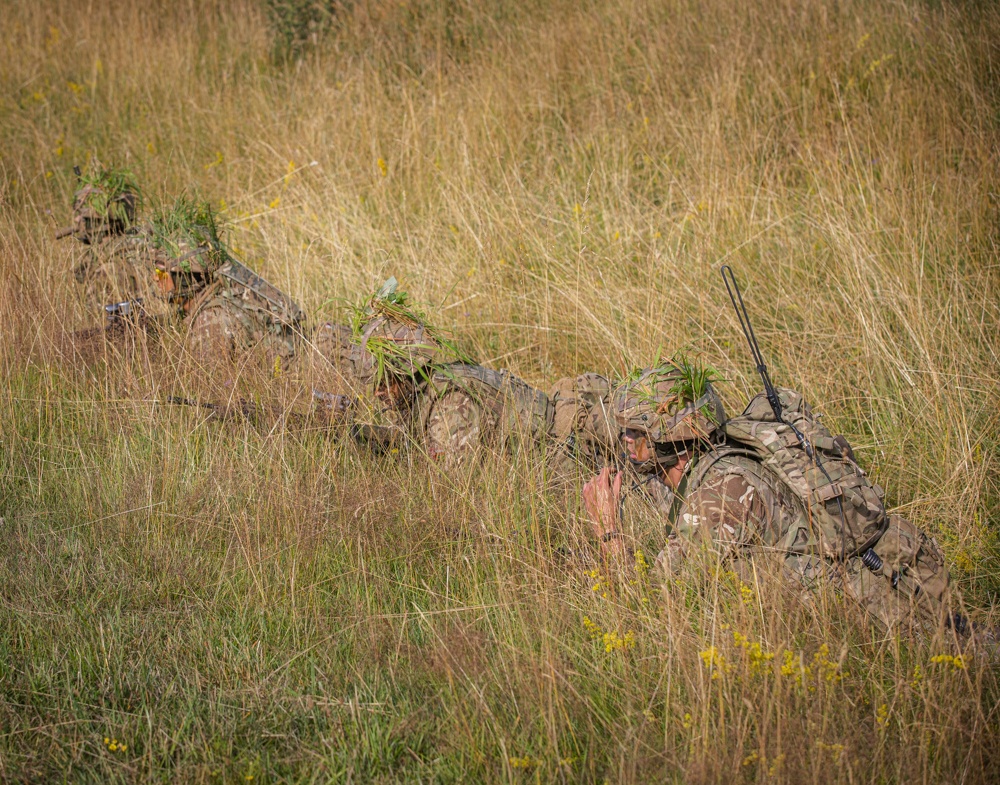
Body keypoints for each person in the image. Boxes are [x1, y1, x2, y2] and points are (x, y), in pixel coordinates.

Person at [582, 362, 959, 635]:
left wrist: (608, 529)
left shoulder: (722, 497)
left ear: (667, 437)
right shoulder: (713, 456)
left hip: (881, 626)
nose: (626, 440)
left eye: (635, 431)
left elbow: (646, 607)